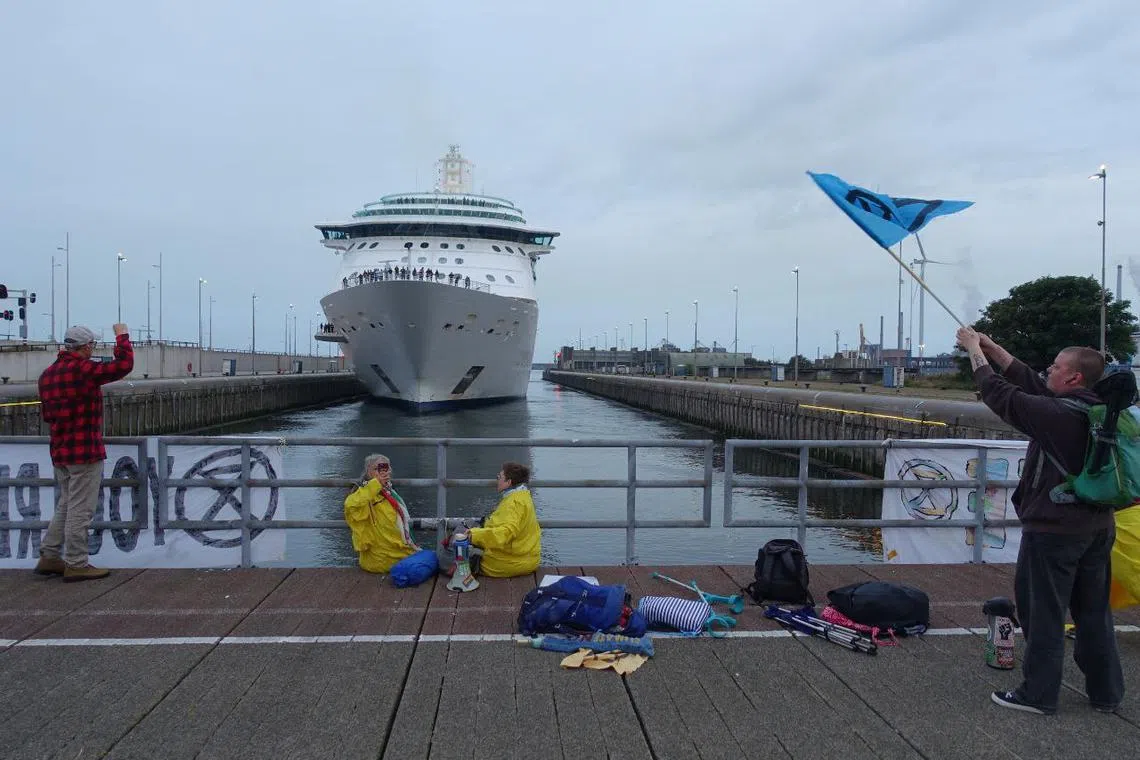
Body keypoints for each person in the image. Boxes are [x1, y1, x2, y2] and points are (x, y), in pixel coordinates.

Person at [957, 326, 1123, 715]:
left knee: (1043, 612)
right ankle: (1106, 693)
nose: (1048, 370)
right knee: (1093, 613)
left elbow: (1002, 395)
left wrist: (972, 352)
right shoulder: (1095, 408)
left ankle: (1039, 694)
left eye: (1056, 366)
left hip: (1054, 533)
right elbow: (1029, 380)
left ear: (1074, 377)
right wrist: (991, 347)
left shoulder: (1056, 416)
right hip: (1097, 528)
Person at [35, 323, 134, 581]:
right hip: (85, 450)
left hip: (60, 449)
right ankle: (77, 563)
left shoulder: (47, 375)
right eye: (91, 345)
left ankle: (49, 555)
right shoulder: (83, 369)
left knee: (66, 504)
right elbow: (122, 366)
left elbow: (48, 415)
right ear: (86, 346)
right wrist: (122, 337)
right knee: (81, 508)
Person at [458, 462, 541, 577]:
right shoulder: (524, 496)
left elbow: (506, 532)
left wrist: (474, 535)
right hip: (527, 559)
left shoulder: (513, 503)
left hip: (508, 564)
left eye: (500, 477)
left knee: (458, 556)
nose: (497, 479)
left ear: (509, 482)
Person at [344, 454, 420, 573]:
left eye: (386, 468)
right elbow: (351, 506)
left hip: (398, 553)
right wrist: (376, 483)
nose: (383, 472)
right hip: (379, 560)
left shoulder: (389, 492)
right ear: (368, 472)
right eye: (377, 469)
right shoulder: (363, 494)